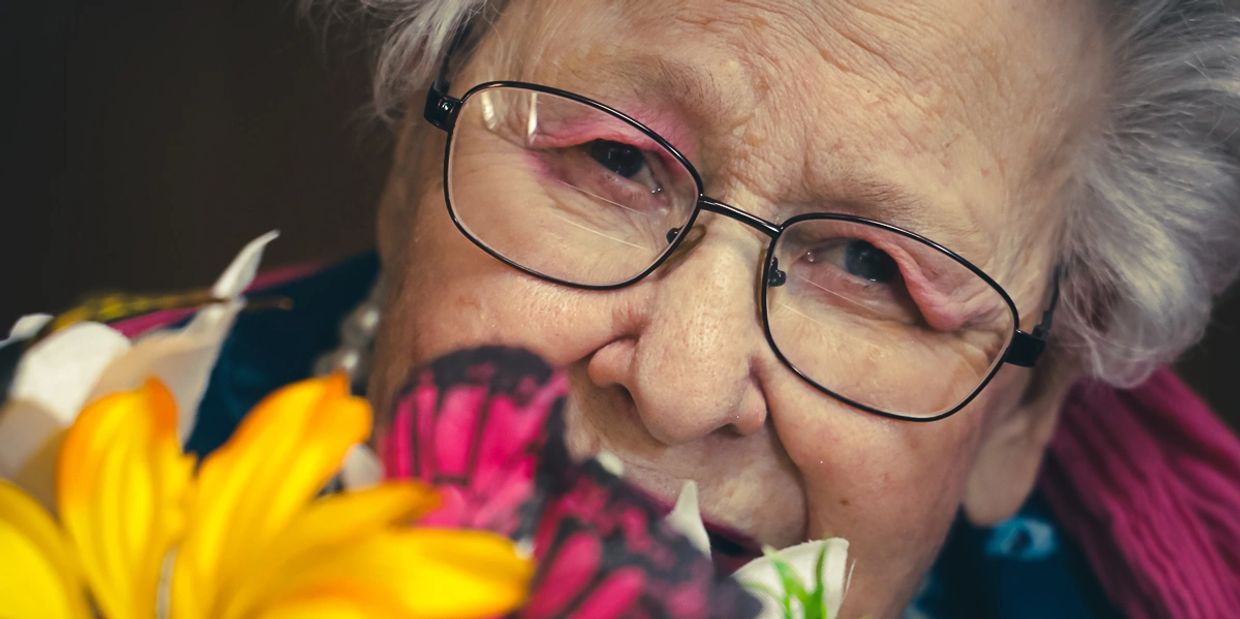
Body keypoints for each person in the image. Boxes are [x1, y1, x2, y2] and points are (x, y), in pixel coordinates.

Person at [20, 0, 1239, 617]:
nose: (679, 382)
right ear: (406, 165)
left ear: (1024, 420)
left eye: (873, 269)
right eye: (612, 162)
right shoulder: (43, 485)